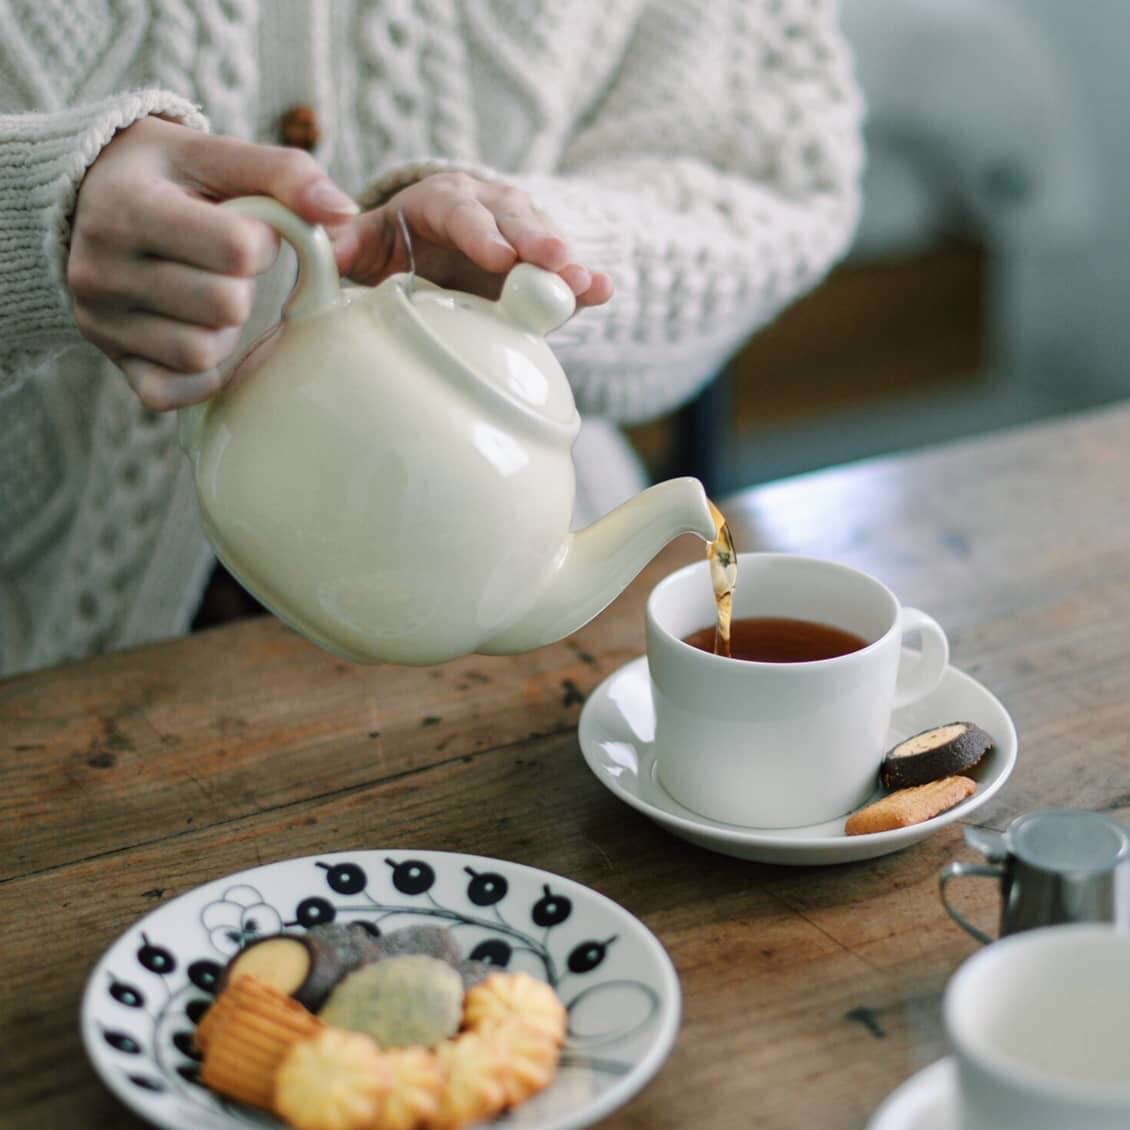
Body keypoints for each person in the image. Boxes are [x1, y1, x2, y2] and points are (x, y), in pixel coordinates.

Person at [0, 0, 863, 677]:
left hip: (525, 673)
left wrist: (541, 252)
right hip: (46, 661)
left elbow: (770, 179)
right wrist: (34, 216)